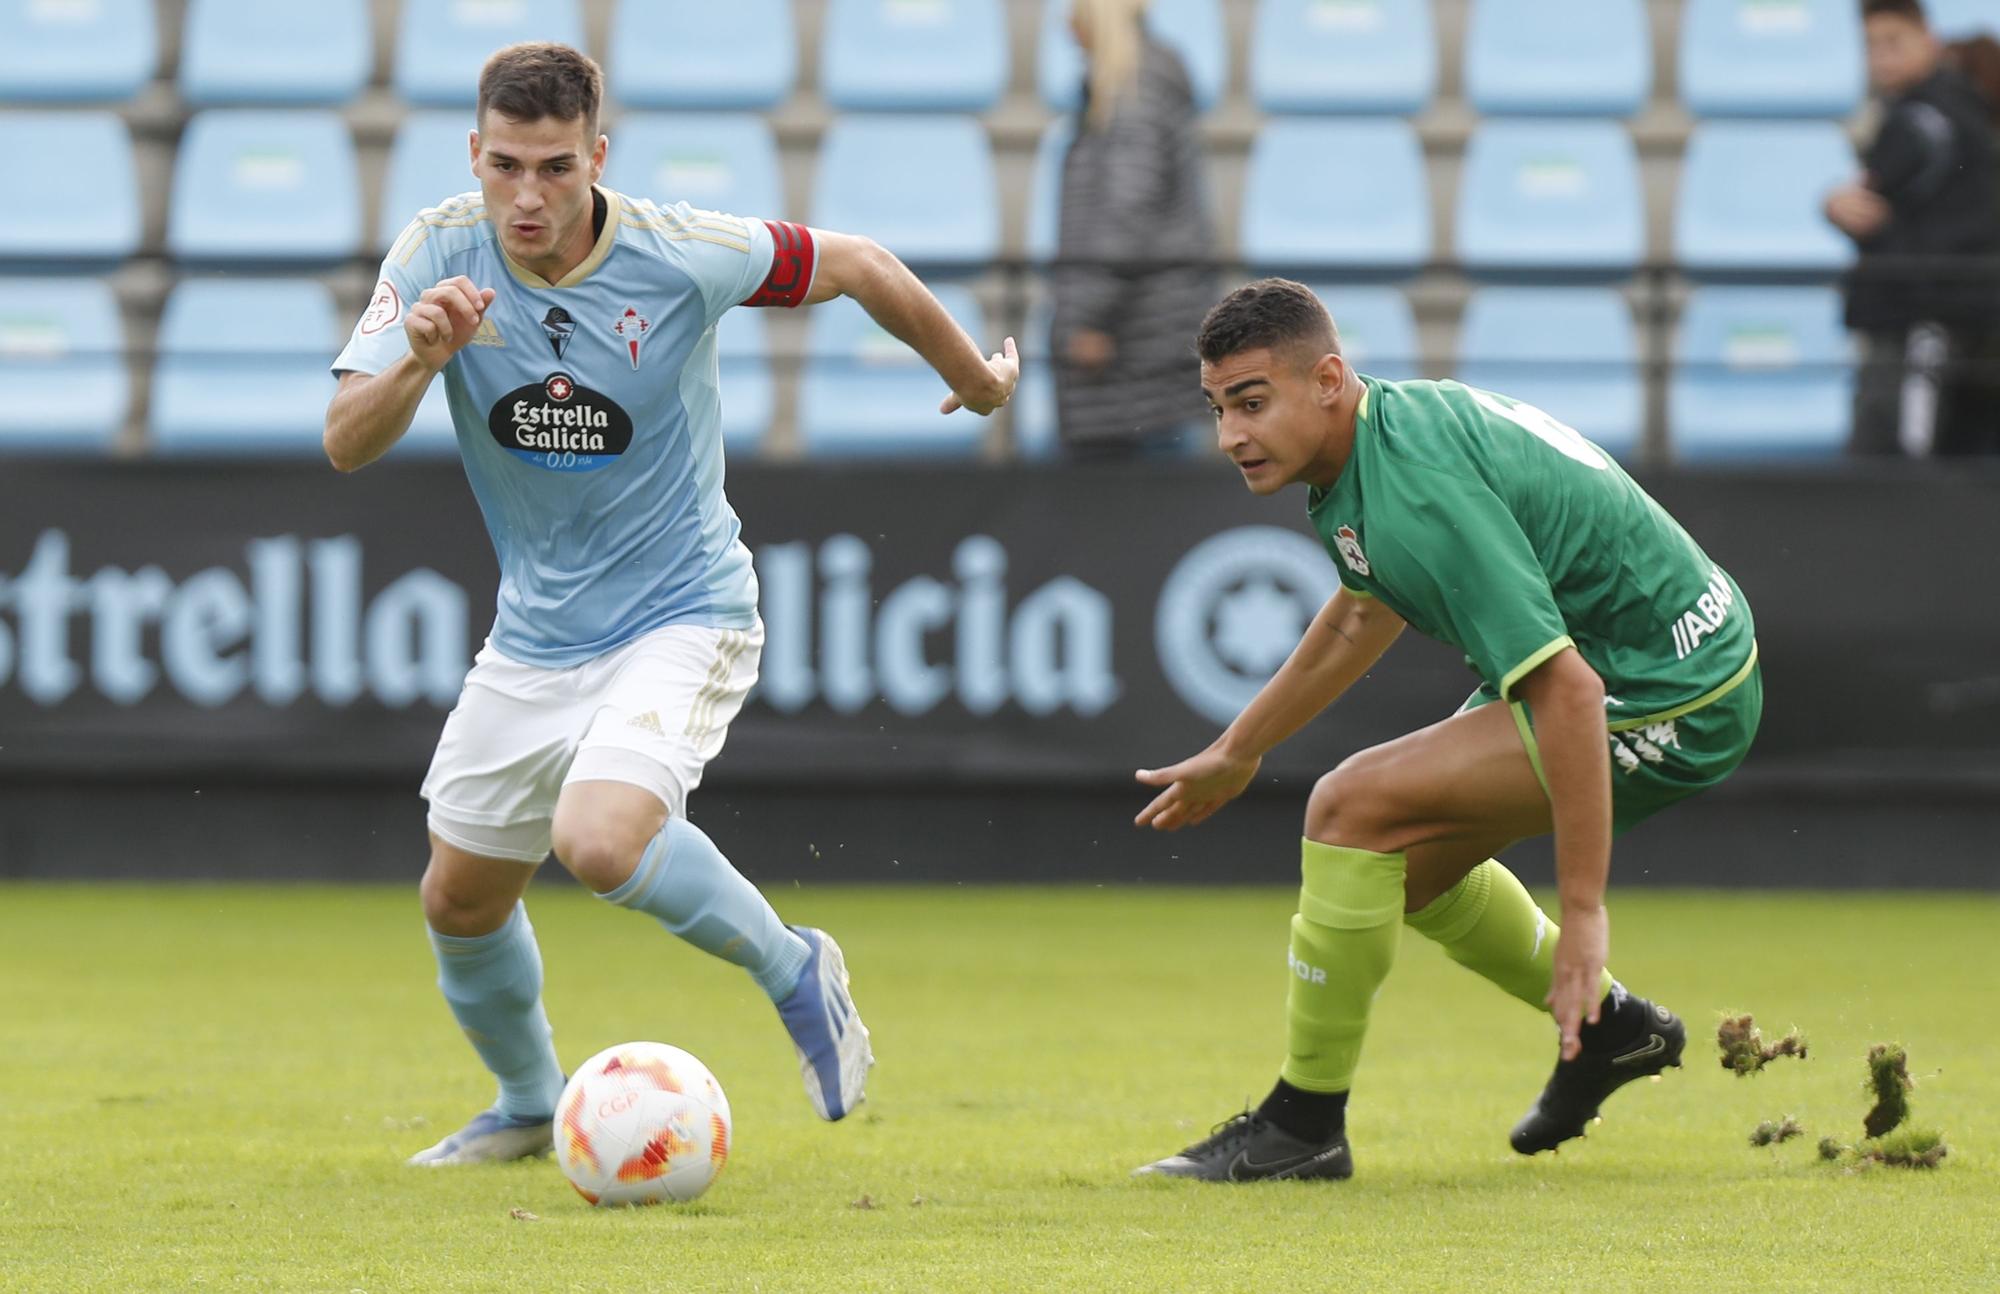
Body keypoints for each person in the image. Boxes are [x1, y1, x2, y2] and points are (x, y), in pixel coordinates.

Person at [324, 43, 1019, 1165]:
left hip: (682, 611)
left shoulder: (678, 253)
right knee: (456, 898)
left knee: (596, 839)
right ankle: (524, 1102)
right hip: (534, 635)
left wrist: (976, 377)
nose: (527, 196)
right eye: (505, 166)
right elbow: (345, 443)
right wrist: (417, 358)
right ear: (474, 154)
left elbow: (857, 262)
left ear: (597, 156)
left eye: (554, 168)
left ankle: (794, 967)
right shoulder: (439, 248)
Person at [1129, 280, 1761, 1181]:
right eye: (1219, 406)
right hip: (1666, 653)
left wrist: (1584, 916)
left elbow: (1571, 696)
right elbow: (1361, 612)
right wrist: (1241, 746)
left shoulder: (1414, 491)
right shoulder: (1373, 443)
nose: (1231, 435)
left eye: (1253, 402)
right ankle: (1614, 1030)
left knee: (1348, 808)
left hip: (1677, 691)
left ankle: (1304, 1124)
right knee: (1407, 871)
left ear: (1329, 379)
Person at [1824, 0, 2000, 457]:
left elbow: (1867, 207)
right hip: (1952, 315)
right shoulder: (1957, 112)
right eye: (1870, 45)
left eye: (1893, 42)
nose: (1880, 57)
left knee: (1899, 466)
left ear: (1929, 41)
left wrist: (1844, 209)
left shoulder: (1922, 120)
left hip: (1923, 319)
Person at [1051, 0, 1216, 456]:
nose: (1066, 23)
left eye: (1074, 9)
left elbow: (1127, 214)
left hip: (1130, 351)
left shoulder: (1133, 91)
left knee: (1133, 514)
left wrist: (1087, 317)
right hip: (1145, 346)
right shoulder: (1132, 86)